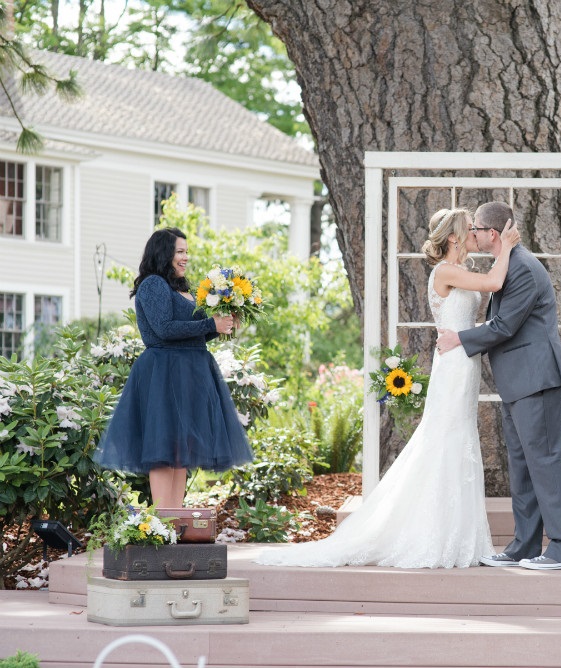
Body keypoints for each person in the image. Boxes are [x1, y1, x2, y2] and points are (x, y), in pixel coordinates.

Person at [256, 208, 520, 568]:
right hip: (454, 366)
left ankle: (459, 536)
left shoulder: (463, 271)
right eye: (470, 231)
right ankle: (430, 535)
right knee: (444, 441)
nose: (476, 234)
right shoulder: (445, 271)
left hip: (464, 361)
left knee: (460, 441)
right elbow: (494, 283)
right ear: (455, 238)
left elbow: (486, 289)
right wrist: (505, 247)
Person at [437, 201, 561, 571]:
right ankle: (524, 545)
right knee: (522, 466)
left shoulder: (524, 270)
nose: (473, 236)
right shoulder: (509, 266)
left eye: (477, 230)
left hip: (536, 381)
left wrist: (460, 340)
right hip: (517, 383)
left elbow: (504, 327)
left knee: (545, 464)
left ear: (492, 234)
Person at [94, 227, 252, 509]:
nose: (185, 257)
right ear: (163, 253)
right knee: (164, 449)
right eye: (180, 251)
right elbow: (164, 329)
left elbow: (196, 333)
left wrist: (222, 325)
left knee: (181, 452)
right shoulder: (153, 284)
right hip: (164, 371)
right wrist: (209, 323)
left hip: (191, 371)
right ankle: (161, 520)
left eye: (186, 252)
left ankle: (175, 521)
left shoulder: (184, 289)